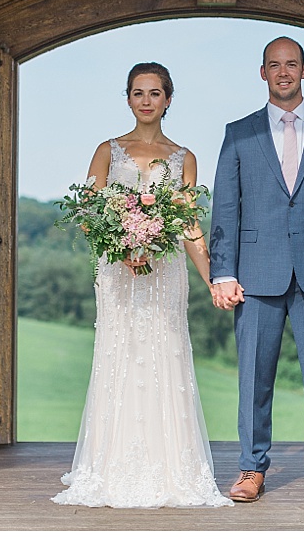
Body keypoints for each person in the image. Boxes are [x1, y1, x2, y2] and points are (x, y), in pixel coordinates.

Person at [52, 62, 233, 509]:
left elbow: (189, 223)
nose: (146, 100)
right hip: (117, 273)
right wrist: (121, 244)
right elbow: (88, 214)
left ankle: (173, 468)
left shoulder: (183, 157)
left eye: (155, 93)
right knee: (120, 355)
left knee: (163, 354)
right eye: (138, 93)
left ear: (168, 100)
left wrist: (213, 277)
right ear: (129, 99)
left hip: (164, 273)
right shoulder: (107, 150)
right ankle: (108, 466)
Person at [209, 36, 304, 504]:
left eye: (291, 64)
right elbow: (225, 209)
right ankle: (251, 467)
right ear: (262, 73)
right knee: (254, 378)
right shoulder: (239, 133)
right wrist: (223, 272)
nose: (283, 72)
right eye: (274, 65)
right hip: (255, 275)